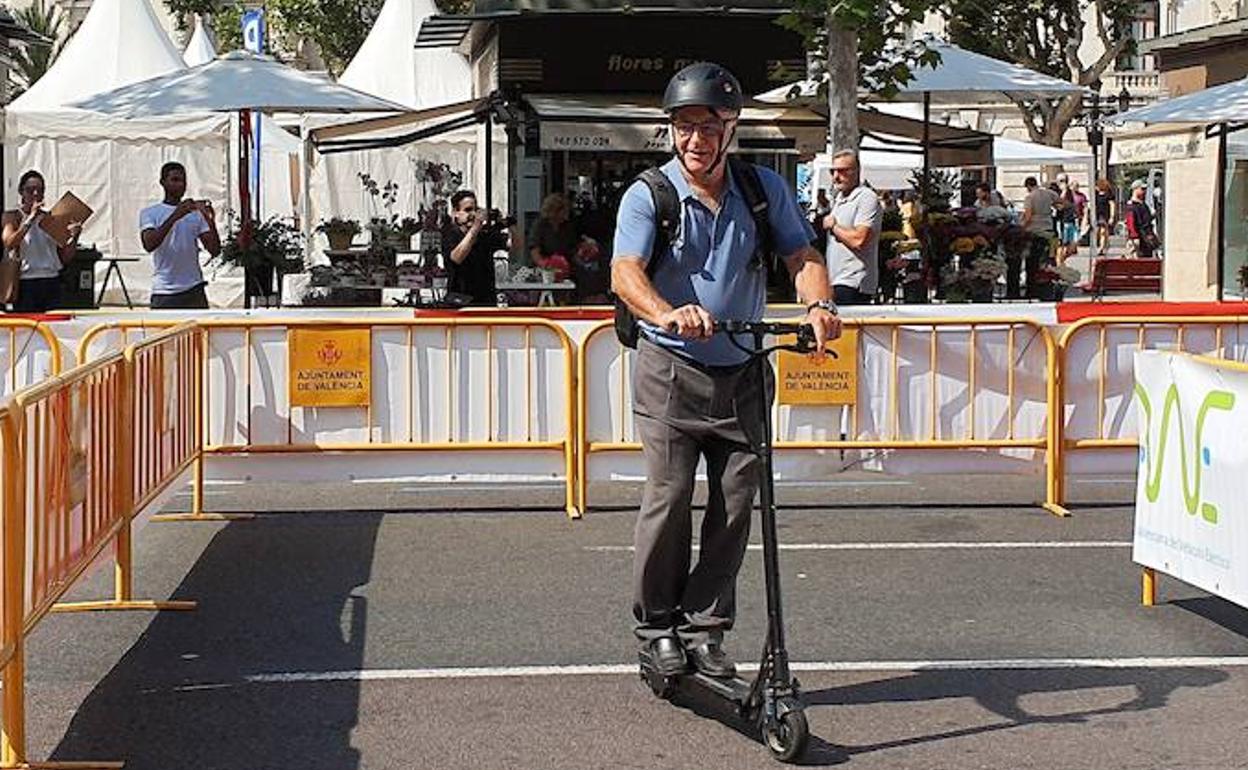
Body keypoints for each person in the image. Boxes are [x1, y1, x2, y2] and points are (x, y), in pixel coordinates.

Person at [612, 62, 839, 679]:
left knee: (738, 504)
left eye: (707, 127)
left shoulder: (762, 189)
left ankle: (705, 629)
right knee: (670, 495)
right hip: (670, 368)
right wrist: (668, 311)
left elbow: (802, 253)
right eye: (683, 127)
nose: (695, 140)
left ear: (731, 127)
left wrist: (820, 304)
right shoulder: (649, 195)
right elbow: (625, 272)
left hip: (744, 368)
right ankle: (657, 626)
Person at [139, 161, 220, 309]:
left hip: (194, 289)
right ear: (162, 182)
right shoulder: (150, 213)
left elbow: (214, 250)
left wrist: (210, 219)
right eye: (175, 180)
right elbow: (149, 244)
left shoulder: (195, 214)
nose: (180, 185)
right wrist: (176, 215)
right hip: (164, 291)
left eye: (183, 181)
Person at [1, 170, 83, 313]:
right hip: (26, 282)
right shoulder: (13, 217)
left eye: (39, 190)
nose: (35, 194)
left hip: (51, 280)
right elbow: (9, 242)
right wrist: (30, 219)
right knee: (26, 329)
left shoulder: (51, 219)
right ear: (21, 192)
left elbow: (64, 257)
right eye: (30, 190)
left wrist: (75, 237)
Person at [823, 149, 883, 305]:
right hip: (836, 282)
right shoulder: (839, 198)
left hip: (854, 283)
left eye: (842, 171)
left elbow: (859, 240)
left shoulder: (866, 197)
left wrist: (833, 226)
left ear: (856, 172)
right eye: (833, 171)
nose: (836, 176)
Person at [441, 190, 509, 306]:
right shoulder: (451, 233)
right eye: (467, 210)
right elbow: (456, 258)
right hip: (460, 301)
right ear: (455, 213)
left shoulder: (484, 235)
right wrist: (476, 226)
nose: (472, 214)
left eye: (475, 210)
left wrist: (509, 224)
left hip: (485, 301)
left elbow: (516, 248)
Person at [1018, 176, 1058, 299]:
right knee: (1047, 260)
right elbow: (1062, 202)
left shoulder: (1030, 197)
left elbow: (1028, 216)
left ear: (1028, 186)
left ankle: (1032, 290)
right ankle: (1046, 288)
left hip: (1034, 231)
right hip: (1049, 229)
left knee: (1032, 263)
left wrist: (1021, 228)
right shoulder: (1048, 193)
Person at [528, 193, 577, 281]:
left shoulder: (567, 226)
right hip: (544, 270)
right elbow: (534, 249)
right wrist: (543, 264)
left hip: (564, 269)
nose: (566, 215)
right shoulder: (540, 225)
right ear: (554, 211)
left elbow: (572, 247)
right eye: (563, 212)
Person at [1124, 179, 1158, 258]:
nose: (1144, 191)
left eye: (1145, 189)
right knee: (1136, 262)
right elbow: (1130, 222)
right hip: (1137, 238)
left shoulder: (1143, 204)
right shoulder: (1131, 206)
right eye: (1142, 189)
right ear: (1135, 189)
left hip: (1146, 238)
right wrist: (1134, 236)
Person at [1093, 178, 1115, 256]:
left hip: (1105, 215)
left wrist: (1112, 216)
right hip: (1097, 215)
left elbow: (1112, 205)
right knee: (1099, 232)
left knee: (1103, 232)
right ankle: (1104, 244)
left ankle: (1101, 248)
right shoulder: (1095, 195)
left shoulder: (1108, 195)